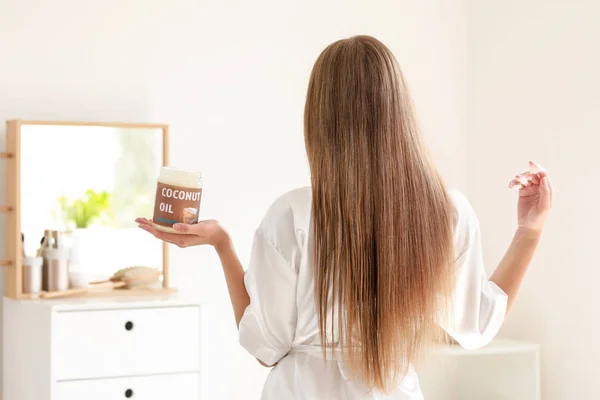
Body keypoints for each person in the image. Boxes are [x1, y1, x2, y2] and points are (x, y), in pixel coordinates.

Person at [136, 35, 553, 400]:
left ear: (320, 117)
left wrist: (223, 245)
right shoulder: (446, 212)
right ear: (398, 111)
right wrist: (528, 232)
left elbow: (267, 349)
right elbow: (476, 328)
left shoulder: (293, 215)